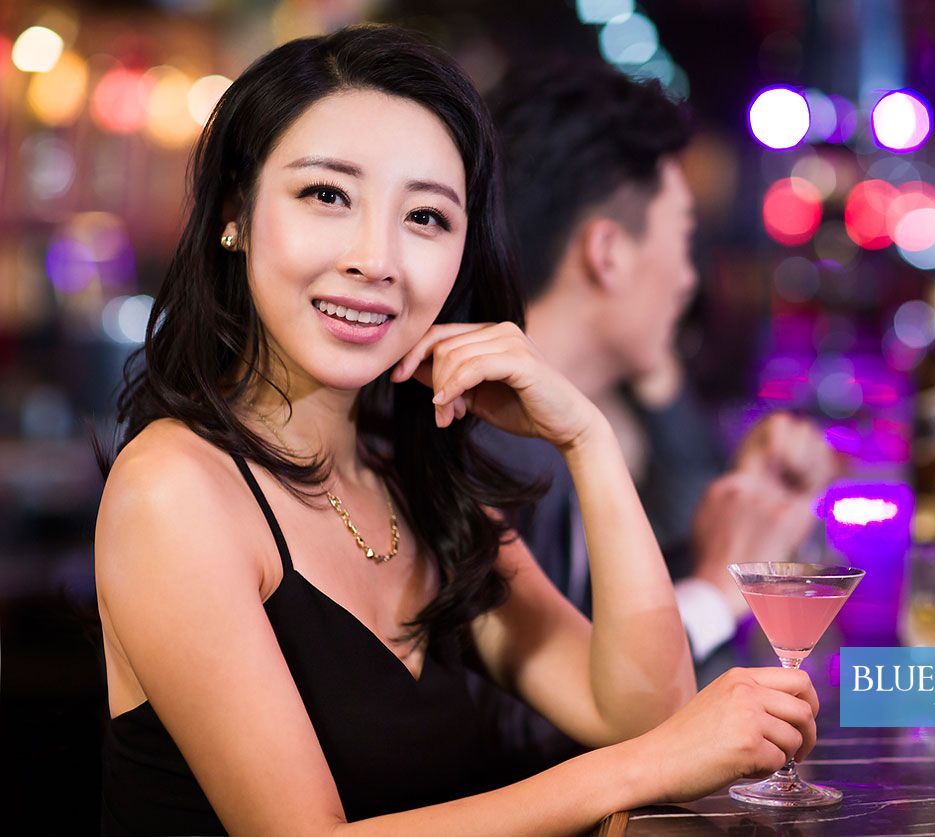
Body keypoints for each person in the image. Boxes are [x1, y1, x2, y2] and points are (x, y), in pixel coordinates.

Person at [94, 25, 820, 835]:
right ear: (236, 212)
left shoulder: (407, 481)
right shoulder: (175, 488)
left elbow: (640, 708)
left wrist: (585, 437)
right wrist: (645, 765)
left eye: (427, 218)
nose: (376, 258)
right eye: (327, 195)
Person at [487, 60, 841, 662]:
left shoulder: (582, 418)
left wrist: (742, 501)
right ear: (608, 252)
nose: (687, 280)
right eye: (683, 239)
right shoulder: (495, 445)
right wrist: (716, 588)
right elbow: (570, 707)